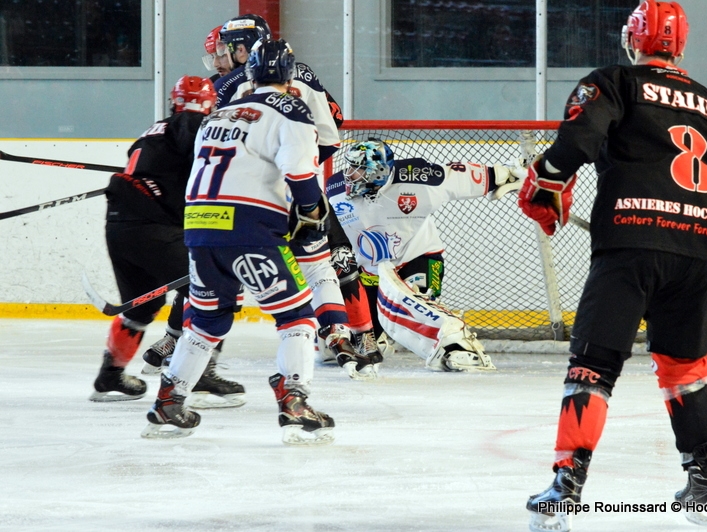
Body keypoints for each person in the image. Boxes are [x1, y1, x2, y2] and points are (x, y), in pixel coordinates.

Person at [519, 2, 707, 530]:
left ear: (634, 38)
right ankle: (705, 487)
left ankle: (566, 485)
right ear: (680, 44)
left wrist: (546, 181)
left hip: (631, 244)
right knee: (685, 368)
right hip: (698, 246)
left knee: (592, 364)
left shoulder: (615, 81)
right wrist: (686, 240)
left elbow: (577, 140)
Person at [142, 38, 336, 445]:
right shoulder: (292, 109)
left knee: (208, 320)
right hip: (250, 229)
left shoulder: (220, 112)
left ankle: (169, 401)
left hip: (200, 228)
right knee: (297, 316)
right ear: (288, 76)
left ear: (250, 74)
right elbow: (300, 174)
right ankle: (294, 400)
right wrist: (312, 214)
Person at [214, 14, 379, 379]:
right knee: (331, 264)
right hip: (302, 190)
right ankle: (352, 337)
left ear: (245, 51)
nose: (223, 56)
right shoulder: (304, 75)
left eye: (229, 49)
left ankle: (189, 347)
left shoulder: (225, 87)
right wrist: (302, 165)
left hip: (248, 199)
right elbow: (333, 129)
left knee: (217, 271)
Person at [326, 138, 528, 371]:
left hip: (419, 256)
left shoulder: (420, 177)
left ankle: (457, 345)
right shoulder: (335, 190)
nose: (349, 174)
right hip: (371, 272)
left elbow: (460, 177)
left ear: (379, 171)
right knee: (339, 345)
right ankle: (379, 337)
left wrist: (508, 175)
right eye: (350, 166)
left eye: (359, 168)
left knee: (415, 304)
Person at [89, 76, 226, 403]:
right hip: (154, 229)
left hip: (119, 227)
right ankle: (201, 375)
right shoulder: (192, 122)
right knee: (210, 294)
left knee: (142, 305)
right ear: (208, 104)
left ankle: (110, 376)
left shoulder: (154, 131)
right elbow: (203, 165)